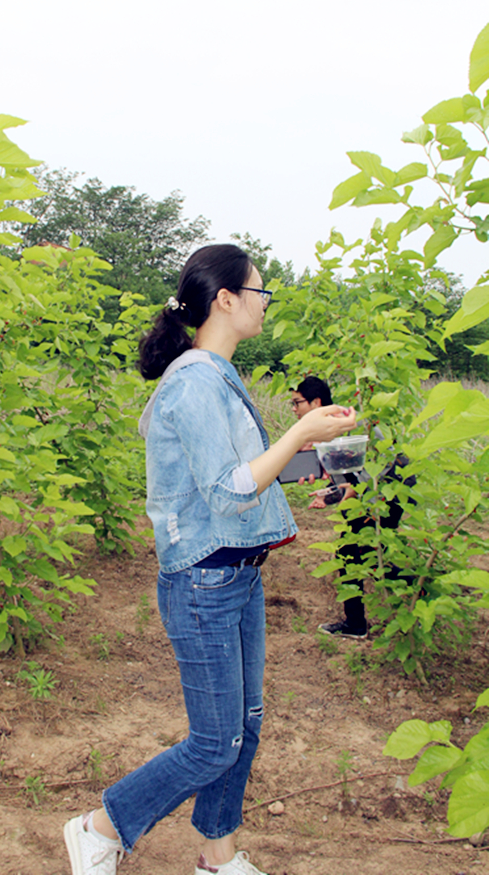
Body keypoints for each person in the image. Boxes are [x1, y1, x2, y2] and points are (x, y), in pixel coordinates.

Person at [63, 245, 357, 875]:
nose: (264, 304)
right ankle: (99, 827)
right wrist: (298, 433)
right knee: (214, 742)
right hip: (205, 579)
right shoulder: (196, 378)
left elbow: (233, 476)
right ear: (226, 299)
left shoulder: (217, 374)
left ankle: (217, 858)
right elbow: (227, 490)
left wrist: (307, 456)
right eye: (260, 292)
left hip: (238, 575)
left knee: (243, 728)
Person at [291, 376, 414, 641]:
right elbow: (347, 477)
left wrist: (350, 491)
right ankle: (412, 591)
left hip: (389, 490)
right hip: (369, 494)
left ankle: (411, 594)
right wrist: (331, 495)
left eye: (297, 403)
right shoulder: (323, 430)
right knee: (363, 551)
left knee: (359, 551)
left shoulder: (347, 421)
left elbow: (381, 462)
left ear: (316, 402)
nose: (294, 409)